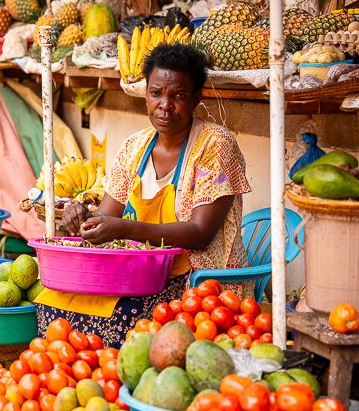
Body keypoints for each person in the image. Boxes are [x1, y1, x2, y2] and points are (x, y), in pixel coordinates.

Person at [37, 44, 250, 345]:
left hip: (199, 284)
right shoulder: (134, 147)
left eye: (178, 95)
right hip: (142, 275)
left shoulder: (214, 146)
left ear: (195, 99)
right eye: (156, 93)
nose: (165, 104)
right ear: (146, 94)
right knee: (53, 303)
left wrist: (124, 227)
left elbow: (200, 233)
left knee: (119, 317)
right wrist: (84, 216)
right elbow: (107, 217)